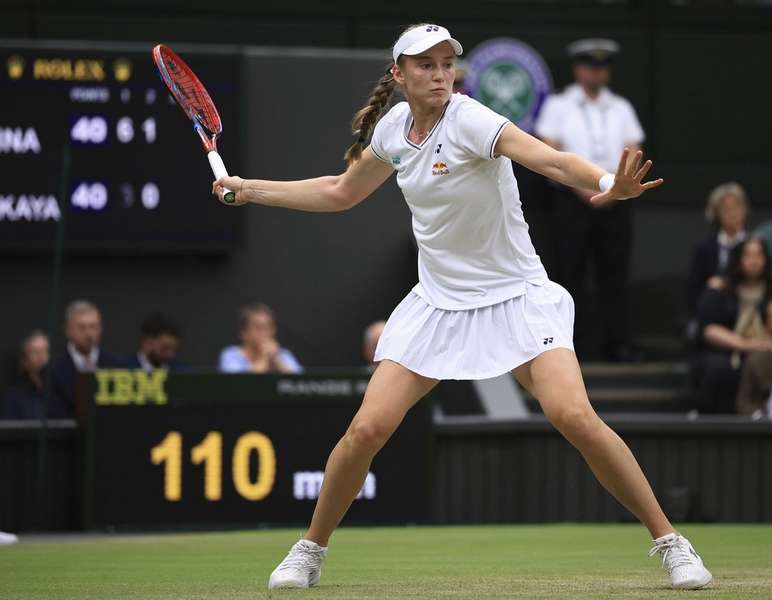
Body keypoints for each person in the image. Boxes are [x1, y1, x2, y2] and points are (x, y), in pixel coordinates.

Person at [212, 24, 711, 591]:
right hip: (439, 305)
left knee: (573, 416)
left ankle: (672, 544)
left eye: (447, 63)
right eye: (425, 65)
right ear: (398, 74)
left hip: (517, 297)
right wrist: (250, 189)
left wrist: (604, 182)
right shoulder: (394, 130)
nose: (440, 73)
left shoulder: (471, 119)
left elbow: (546, 159)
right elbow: (340, 192)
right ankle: (309, 551)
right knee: (367, 428)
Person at [534, 38, 645, 361]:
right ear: (578, 69)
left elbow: (635, 148)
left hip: (617, 199)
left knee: (615, 272)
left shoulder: (621, 107)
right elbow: (549, 148)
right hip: (572, 200)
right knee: (570, 272)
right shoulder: (559, 105)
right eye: (590, 66)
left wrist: (616, 188)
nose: (597, 73)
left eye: (602, 67)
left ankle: (617, 344)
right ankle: (572, 345)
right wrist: (582, 188)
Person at [694, 238, 772, 413]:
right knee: (718, 368)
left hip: (771, 351)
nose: (754, 261)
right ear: (738, 260)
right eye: (748, 255)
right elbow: (709, 329)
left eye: (759, 255)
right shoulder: (721, 290)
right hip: (729, 354)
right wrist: (747, 345)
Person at [49, 300, 120, 417]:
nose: (89, 333)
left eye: (93, 327)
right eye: (82, 327)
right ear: (67, 330)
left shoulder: (115, 366)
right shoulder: (53, 370)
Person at [686, 182, 748, 313]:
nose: (732, 213)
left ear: (744, 209)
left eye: (736, 207)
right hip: (714, 309)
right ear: (716, 213)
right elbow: (692, 290)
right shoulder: (704, 248)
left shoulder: (755, 244)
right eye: (726, 209)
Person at [218, 303, 302, 374]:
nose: (263, 333)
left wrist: (277, 362)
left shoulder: (284, 355)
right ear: (243, 332)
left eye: (267, 327)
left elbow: (300, 385)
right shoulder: (231, 355)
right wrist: (264, 357)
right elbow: (236, 385)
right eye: (257, 327)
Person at [1, 331, 54, 420]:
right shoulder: (14, 396)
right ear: (24, 360)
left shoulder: (59, 392)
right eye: (35, 352)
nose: (41, 357)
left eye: (45, 351)